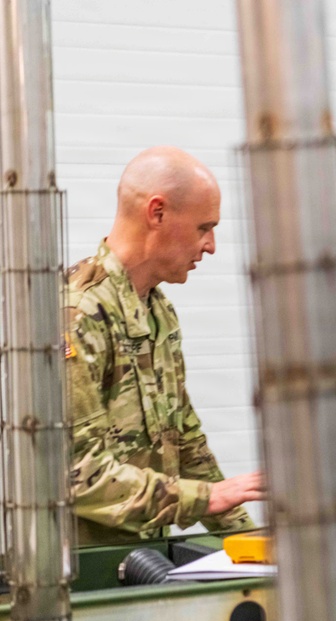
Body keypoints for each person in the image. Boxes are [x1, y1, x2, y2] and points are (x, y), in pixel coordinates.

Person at [67, 146, 265, 545]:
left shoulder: (157, 312)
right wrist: (205, 498)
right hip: (84, 571)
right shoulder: (78, 313)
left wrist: (258, 545)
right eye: (203, 228)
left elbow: (187, 446)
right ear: (157, 213)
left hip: (143, 559)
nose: (210, 245)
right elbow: (77, 474)